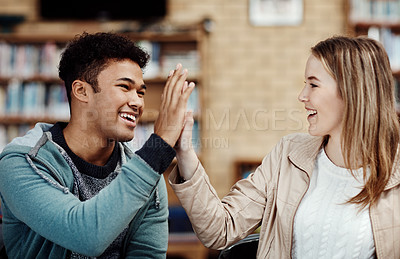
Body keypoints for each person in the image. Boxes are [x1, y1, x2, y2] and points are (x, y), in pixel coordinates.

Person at [170, 35, 400, 258]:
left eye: (313, 85)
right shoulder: (288, 155)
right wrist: (185, 152)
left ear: (352, 92)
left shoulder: (395, 173)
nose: (302, 96)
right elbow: (219, 230)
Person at [0, 32, 195, 258]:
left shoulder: (146, 174)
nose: (138, 102)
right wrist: (157, 148)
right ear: (81, 91)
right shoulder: (22, 161)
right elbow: (85, 236)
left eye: (141, 92)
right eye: (124, 87)